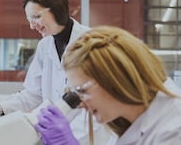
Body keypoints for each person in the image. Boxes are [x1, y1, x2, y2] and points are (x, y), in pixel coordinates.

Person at [0, 0, 111, 144]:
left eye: (36, 17)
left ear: (57, 10)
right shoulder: (45, 46)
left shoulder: (91, 42)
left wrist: (71, 140)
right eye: (29, 19)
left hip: (86, 136)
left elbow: (99, 101)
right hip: (52, 135)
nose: (32, 25)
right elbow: (32, 93)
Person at [35, 26, 181, 145]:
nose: (80, 105)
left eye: (83, 90)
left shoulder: (174, 127)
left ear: (114, 78)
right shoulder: (126, 122)